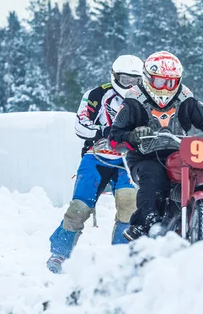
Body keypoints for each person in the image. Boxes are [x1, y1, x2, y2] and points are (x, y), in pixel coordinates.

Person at [108, 51, 203, 241]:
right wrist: (132, 136)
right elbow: (114, 139)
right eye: (160, 82)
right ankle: (144, 225)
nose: (165, 88)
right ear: (147, 78)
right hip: (144, 157)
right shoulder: (133, 100)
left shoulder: (185, 98)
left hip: (180, 154)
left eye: (170, 82)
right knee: (154, 179)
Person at [46, 55, 144, 273]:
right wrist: (103, 131)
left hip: (129, 158)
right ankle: (60, 253)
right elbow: (80, 125)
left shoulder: (144, 98)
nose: (130, 85)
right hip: (97, 155)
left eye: (135, 80)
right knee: (80, 207)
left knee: (129, 203)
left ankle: (122, 255)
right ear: (115, 76)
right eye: (126, 79)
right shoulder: (96, 94)